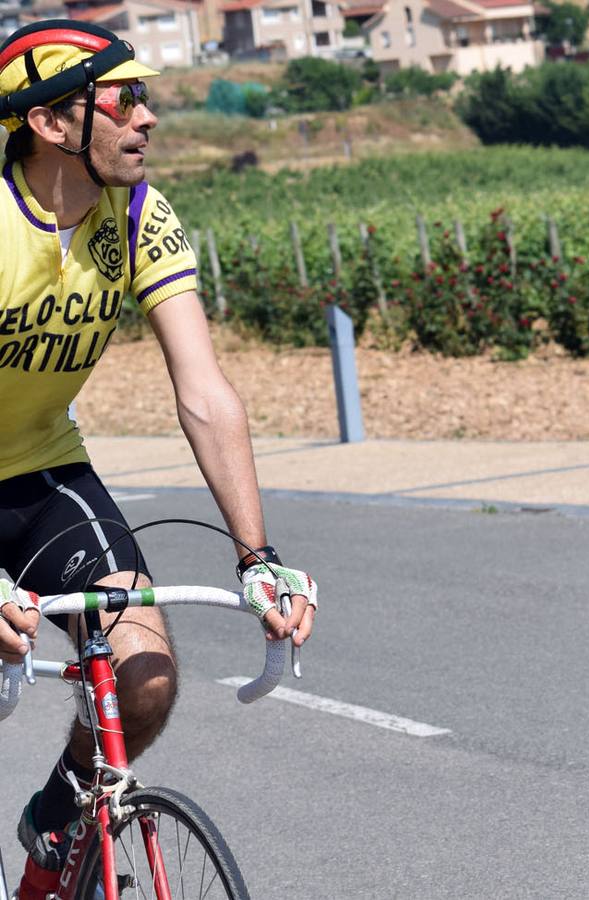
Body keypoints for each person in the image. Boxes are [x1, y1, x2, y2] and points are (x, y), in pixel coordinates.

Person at [0, 20, 318, 895]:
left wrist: (259, 556)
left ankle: (58, 821)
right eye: (124, 99)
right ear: (52, 124)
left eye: (146, 98)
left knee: (142, 675)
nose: (147, 118)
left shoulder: (139, 212)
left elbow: (204, 391)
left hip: (37, 467)